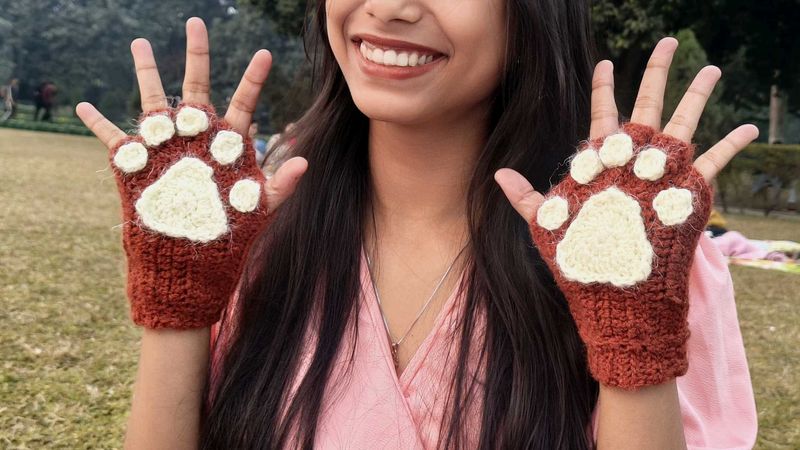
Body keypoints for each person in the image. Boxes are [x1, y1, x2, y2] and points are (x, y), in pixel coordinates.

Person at [76, 3, 760, 448]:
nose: (390, 8)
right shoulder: (243, 235)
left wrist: (628, 338)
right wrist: (177, 305)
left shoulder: (641, 262)